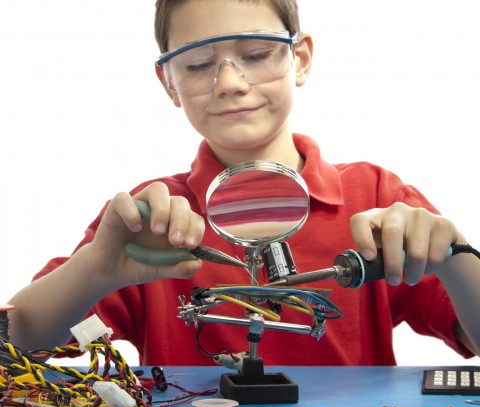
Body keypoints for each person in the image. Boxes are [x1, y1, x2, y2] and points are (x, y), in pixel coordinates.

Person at [7, 0, 480, 366]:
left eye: (255, 55)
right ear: (168, 82)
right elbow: (19, 343)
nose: (230, 83)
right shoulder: (148, 221)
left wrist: (456, 258)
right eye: (196, 65)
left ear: (301, 60)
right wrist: (96, 269)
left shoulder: (375, 198)